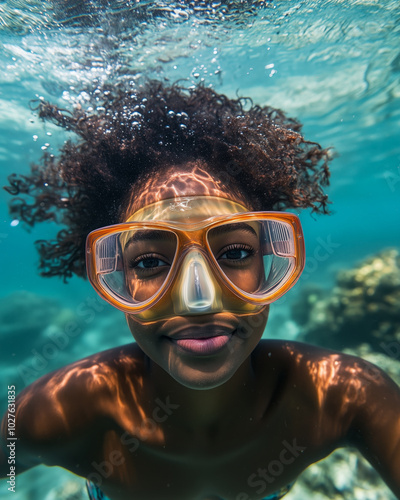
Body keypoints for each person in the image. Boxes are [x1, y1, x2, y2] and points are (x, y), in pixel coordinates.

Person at [1, 81, 399, 500]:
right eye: (150, 262)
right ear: (114, 278)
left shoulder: (346, 395)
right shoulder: (50, 414)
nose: (200, 299)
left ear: (270, 260)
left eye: (235, 252)